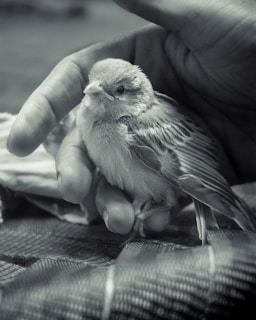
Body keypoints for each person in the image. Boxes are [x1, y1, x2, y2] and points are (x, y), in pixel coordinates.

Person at [7, 0, 256, 234]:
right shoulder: (87, 114)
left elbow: (185, 165)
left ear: (135, 95)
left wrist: (209, 195)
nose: (94, 91)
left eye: (119, 91)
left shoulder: (135, 124)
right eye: (94, 85)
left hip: (187, 172)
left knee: (159, 203)